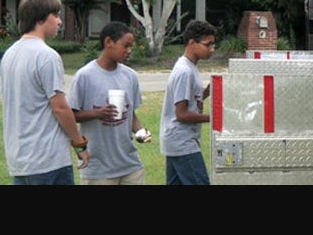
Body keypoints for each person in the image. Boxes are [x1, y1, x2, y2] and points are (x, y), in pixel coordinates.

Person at [0, 0, 89, 185]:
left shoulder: (9, 54)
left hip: (20, 161)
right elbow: (60, 107)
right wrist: (79, 143)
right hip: (48, 160)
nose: (59, 21)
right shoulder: (46, 56)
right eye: (56, 15)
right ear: (40, 18)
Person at [68, 21, 151, 185]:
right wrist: (97, 113)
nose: (129, 51)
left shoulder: (130, 76)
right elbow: (71, 115)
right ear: (108, 42)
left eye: (131, 47)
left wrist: (140, 132)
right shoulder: (85, 76)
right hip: (98, 167)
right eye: (125, 46)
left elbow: (130, 114)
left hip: (130, 164)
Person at [159, 19, 216, 185]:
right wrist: (214, 118)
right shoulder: (184, 71)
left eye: (213, 45)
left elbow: (188, 101)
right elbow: (182, 114)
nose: (212, 49)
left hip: (177, 141)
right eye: (208, 44)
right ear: (192, 43)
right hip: (182, 141)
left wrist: (206, 93)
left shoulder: (190, 67)